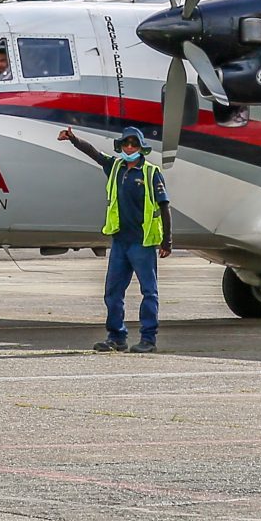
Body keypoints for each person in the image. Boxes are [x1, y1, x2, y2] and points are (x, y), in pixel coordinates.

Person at [59, 125, 166, 353]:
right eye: (126, 143)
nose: (129, 147)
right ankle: (116, 337)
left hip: (143, 242)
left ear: (141, 148)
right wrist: (73, 138)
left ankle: (149, 339)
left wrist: (167, 241)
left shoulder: (151, 172)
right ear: (121, 146)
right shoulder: (115, 167)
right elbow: (94, 154)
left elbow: (164, 206)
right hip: (120, 242)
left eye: (134, 144)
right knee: (112, 292)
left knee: (149, 291)